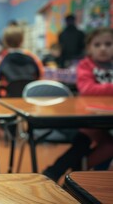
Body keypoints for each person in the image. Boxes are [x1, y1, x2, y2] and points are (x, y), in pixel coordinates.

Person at [43, 27, 113, 182]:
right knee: (85, 139)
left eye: (108, 44)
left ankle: (72, 172)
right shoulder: (85, 65)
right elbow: (88, 89)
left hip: (109, 118)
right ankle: (62, 173)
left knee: (107, 145)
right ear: (89, 48)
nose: (103, 48)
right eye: (97, 45)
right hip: (87, 118)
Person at [0, 25, 44, 96]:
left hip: (8, 98)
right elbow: (40, 74)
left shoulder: (1, 58)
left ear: (5, 41)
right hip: (30, 95)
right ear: (22, 40)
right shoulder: (32, 57)